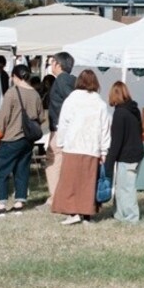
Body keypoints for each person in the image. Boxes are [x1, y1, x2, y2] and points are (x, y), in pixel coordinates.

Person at [50, 70, 111, 226]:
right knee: (88, 183)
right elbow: (105, 128)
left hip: (73, 145)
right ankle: (87, 215)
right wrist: (104, 150)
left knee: (70, 182)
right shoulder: (100, 104)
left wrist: (61, 142)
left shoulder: (71, 100)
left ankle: (73, 213)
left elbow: (63, 123)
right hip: (92, 147)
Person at [0, 64, 45, 216]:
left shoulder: (12, 93)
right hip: (27, 140)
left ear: (15, 76)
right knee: (22, 170)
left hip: (11, 137)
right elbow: (41, 118)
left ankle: (1, 205)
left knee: (2, 171)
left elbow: (4, 116)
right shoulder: (35, 94)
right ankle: (20, 202)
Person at [105, 81, 144, 223]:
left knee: (126, 188)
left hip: (127, 156)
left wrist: (108, 163)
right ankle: (120, 214)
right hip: (137, 153)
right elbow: (140, 131)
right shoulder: (134, 110)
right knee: (123, 186)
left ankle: (131, 217)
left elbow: (116, 142)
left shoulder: (119, 113)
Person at [44, 52, 77, 203]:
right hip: (66, 127)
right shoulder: (72, 80)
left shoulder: (62, 80)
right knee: (62, 160)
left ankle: (55, 196)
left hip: (59, 127)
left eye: (52, 63)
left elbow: (71, 99)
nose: (51, 66)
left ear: (58, 64)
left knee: (53, 160)